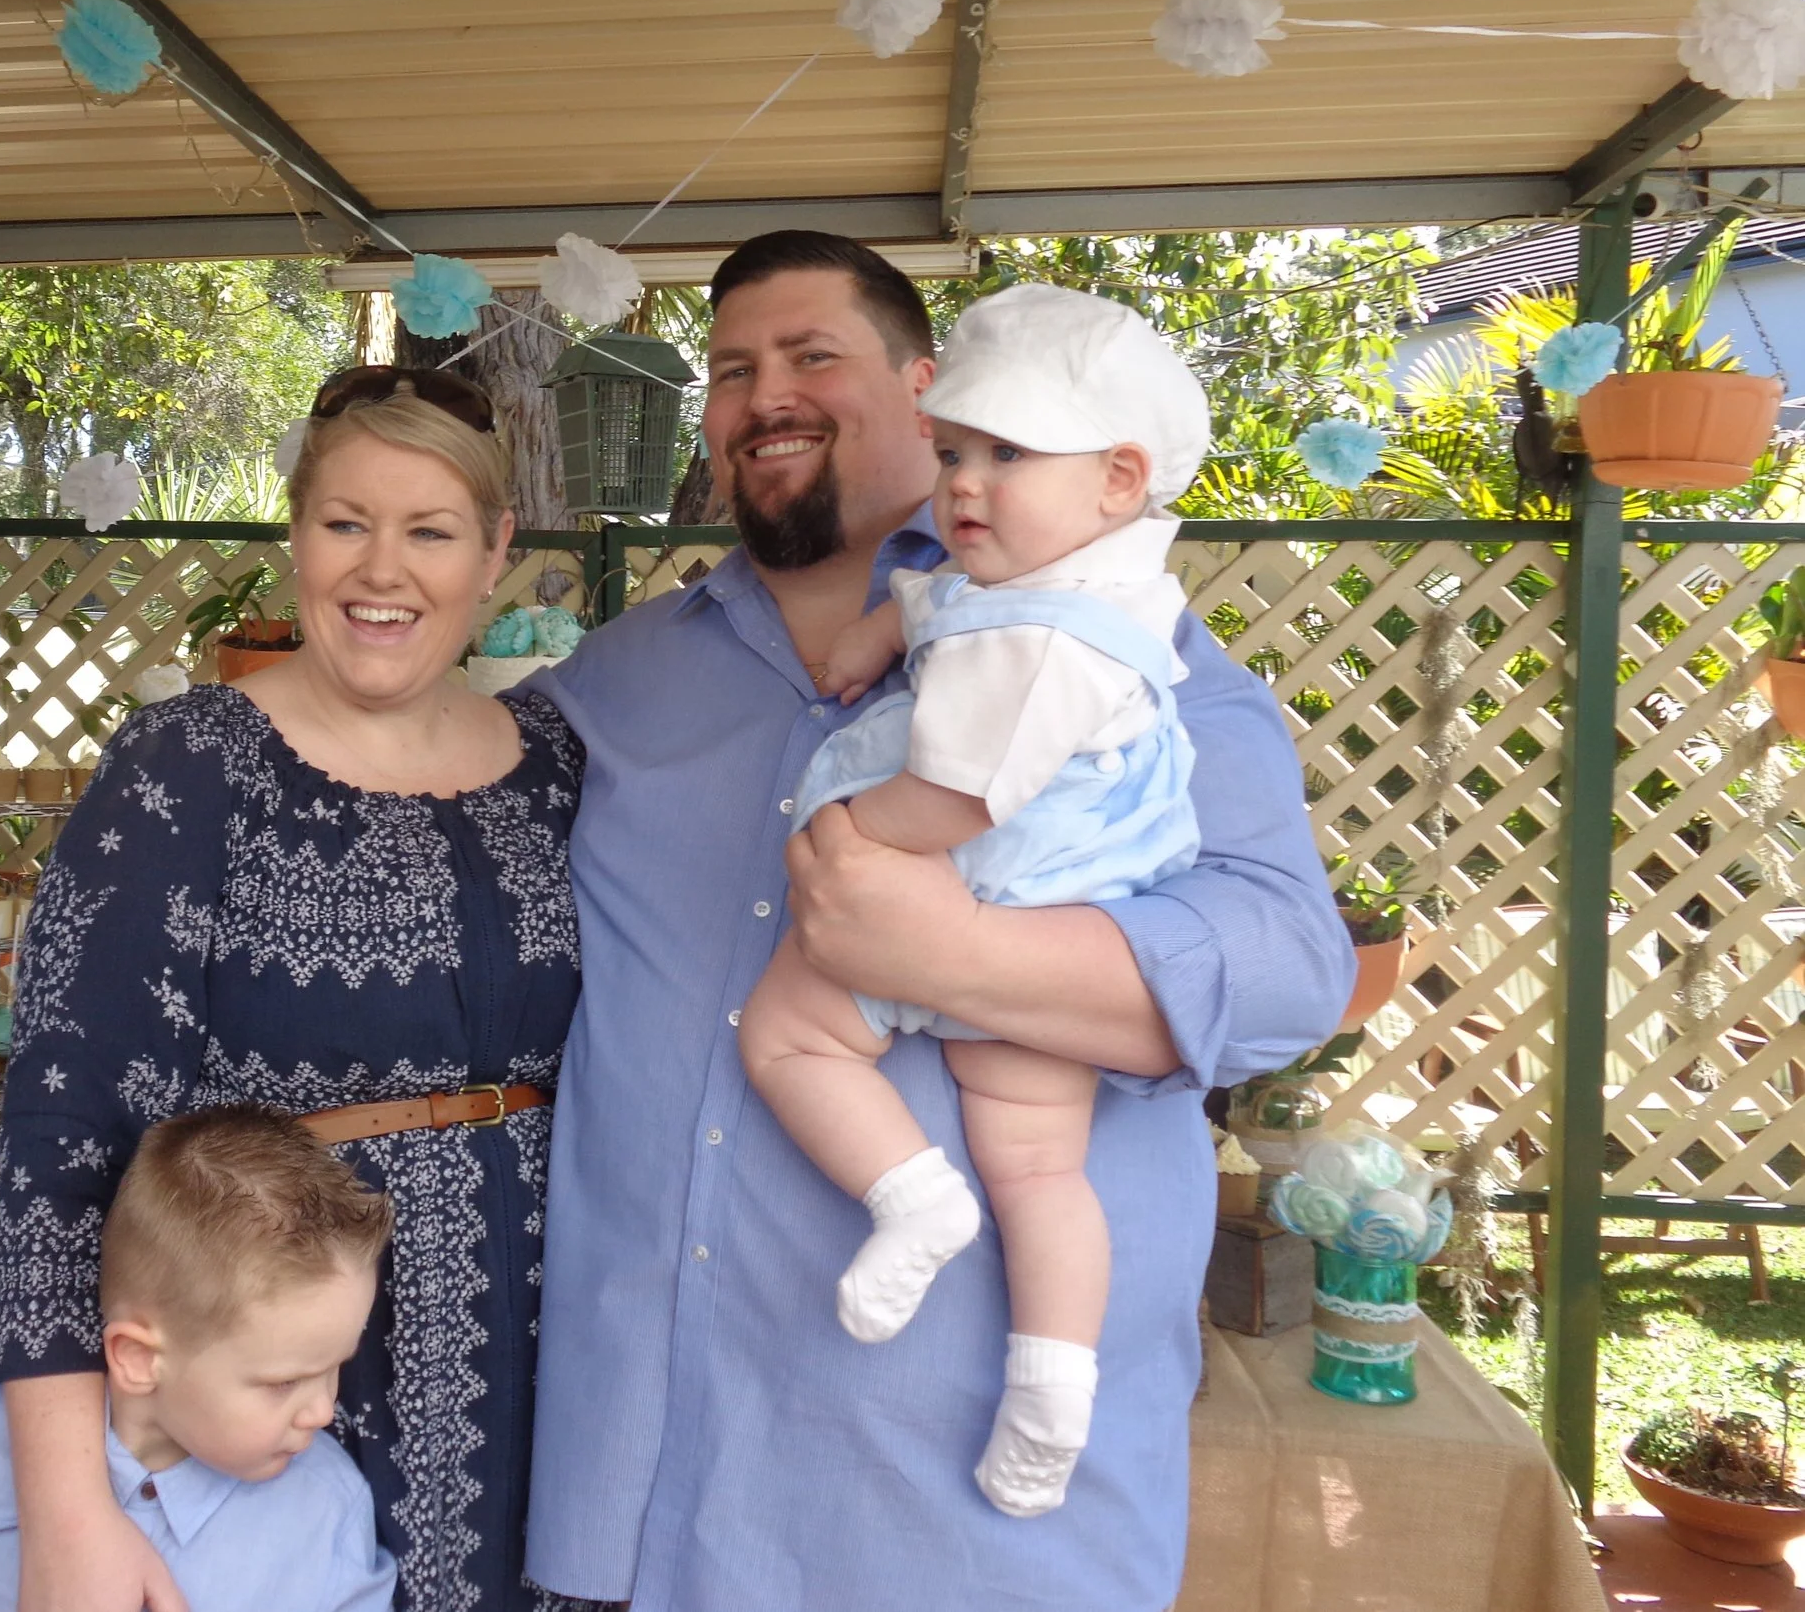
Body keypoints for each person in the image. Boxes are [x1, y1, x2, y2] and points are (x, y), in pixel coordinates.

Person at [525, 233, 1348, 1612]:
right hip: (638, 1487)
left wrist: (956, 958)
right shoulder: (616, 681)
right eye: (732, 369)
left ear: (925, 393)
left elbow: (1287, 971)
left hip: (949, 1523)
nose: (765, 396)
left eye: (812, 355)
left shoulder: (1117, 653)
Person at [0, 370, 583, 1612]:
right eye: (344, 522)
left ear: (495, 553)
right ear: (296, 535)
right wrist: (68, 1512)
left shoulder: (558, 768)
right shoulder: (188, 766)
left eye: (430, 532)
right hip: (281, 1396)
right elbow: (62, 1147)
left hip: (557, 1373)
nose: (382, 570)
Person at [738, 284, 1210, 1518]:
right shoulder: (1086, 588)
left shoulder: (1033, 642)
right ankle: (1051, 1390)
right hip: (1054, 909)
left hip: (975, 883)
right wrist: (877, 638)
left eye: (1007, 454)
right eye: (954, 452)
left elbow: (957, 792)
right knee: (1043, 1173)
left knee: (786, 1036)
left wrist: (848, 844)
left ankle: (910, 1196)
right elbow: (947, 605)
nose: (964, 485)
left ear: (1119, 478)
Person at [0, 1105, 398, 1612]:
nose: (323, 1411)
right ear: (139, 1359)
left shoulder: (327, 1507)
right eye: (284, 1382)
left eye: (335, 1367)